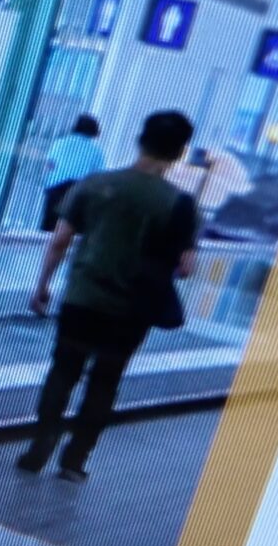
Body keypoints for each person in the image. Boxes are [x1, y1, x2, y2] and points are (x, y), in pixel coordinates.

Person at [19, 110, 200, 481]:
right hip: (132, 309)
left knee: (63, 371)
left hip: (82, 298)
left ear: (140, 139)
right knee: (106, 380)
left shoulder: (95, 183)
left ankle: (40, 445)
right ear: (180, 151)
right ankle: (75, 460)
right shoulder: (180, 204)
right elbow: (186, 268)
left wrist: (42, 285)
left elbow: (60, 241)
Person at [39, 113, 104, 231]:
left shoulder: (59, 143)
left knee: (48, 228)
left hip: (55, 188)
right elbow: (98, 177)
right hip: (78, 192)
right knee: (72, 229)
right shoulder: (96, 151)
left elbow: (49, 165)